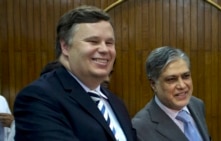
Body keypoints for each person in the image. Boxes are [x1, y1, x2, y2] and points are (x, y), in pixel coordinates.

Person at [14, 5, 136, 141]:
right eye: (93, 41)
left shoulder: (115, 102)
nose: (104, 49)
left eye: (109, 43)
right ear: (65, 47)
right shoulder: (39, 98)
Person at [132, 46, 210, 141]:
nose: (182, 85)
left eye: (186, 76)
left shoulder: (197, 104)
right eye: (171, 79)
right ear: (153, 84)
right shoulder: (140, 128)